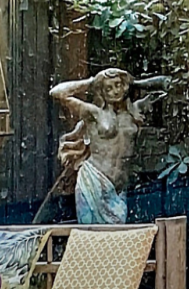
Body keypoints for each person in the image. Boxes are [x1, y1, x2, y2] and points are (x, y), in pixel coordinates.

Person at [49, 68, 170, 223]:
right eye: (108, 88)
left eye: (118, 85)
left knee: (117, 236)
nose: (115, 91)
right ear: (102, 92)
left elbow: (167, 87)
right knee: (91, 235)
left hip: (118, 189)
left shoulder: (135, 111)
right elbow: (57, 93)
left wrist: (135, 83)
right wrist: (92, 82)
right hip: (93, 182)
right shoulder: (94, 113)